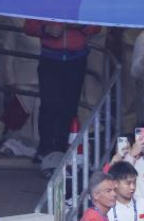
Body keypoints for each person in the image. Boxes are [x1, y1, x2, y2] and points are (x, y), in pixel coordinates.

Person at [24, 20, 98, 160]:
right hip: (50, 59)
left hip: (77, 59)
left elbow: (96, 26)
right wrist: (46, 29)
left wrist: (81, 25)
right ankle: (45, 149)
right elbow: (28, 27)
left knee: (70, 107)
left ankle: (63, 148)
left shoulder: (80, 0)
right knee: (48, 105)